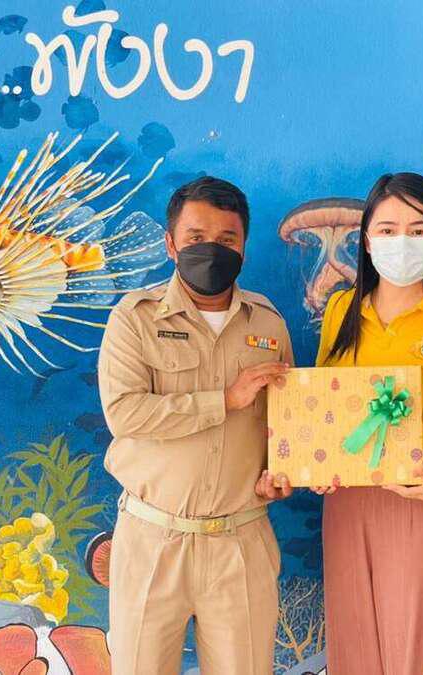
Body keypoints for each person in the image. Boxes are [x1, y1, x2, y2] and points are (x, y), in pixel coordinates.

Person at [98, 177, 293, 675]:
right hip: (152, 539)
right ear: (171, 244)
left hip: (241, 541)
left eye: (227, 239)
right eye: (196, 237)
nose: (212, 249)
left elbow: (285, 421)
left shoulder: (268, 324)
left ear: (243, 247)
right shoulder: (135, 319)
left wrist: (280, 472)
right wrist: (224, 400)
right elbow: (125, 413)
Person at [313, 172, 423, 675]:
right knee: (354, 640)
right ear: (367, 240)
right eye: (388, 230)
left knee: (421, 641)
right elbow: (324, 404)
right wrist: (317, 463)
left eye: (418, 229)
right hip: (347, 497)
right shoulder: (341, 310)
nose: (402, 241)